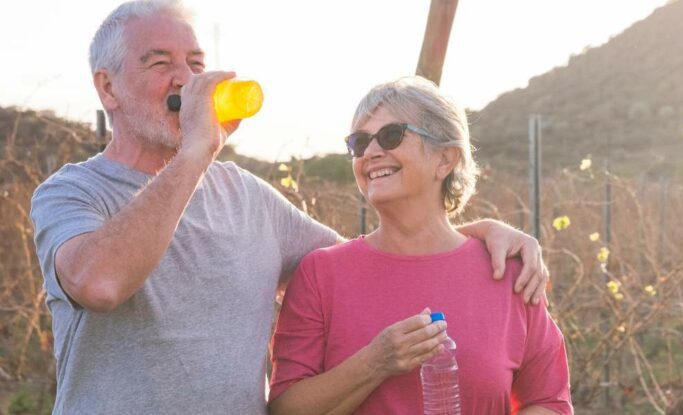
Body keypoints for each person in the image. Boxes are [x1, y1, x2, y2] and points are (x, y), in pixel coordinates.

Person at [29, 1, 549, 414]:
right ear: (107, 87)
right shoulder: (72, 194)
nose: (186, 81)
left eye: (196, 64)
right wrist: (195, 152)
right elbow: (99, 284)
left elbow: (370, 264)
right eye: (160, 63)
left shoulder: (248, 198)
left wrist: (474, 235)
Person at [268, 76, 573, 414]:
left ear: (445, 159)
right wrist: (377, 360)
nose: (369, 153)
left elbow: (548, 401)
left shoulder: (510, 272)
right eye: (359, 142)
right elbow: (285, 409)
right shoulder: (320, 273)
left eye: (390, 135)